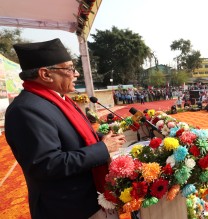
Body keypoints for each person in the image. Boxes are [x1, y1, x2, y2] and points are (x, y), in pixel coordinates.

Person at [4, 39, 126, 219]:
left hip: (94, 198)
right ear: (45, 74)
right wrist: (103, 148)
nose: (76, 73)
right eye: (69, 69)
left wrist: (102, 137)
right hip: (70, 208)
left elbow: (72, 136)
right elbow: (47, 165)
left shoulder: (58, 99)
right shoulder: (26, 110)